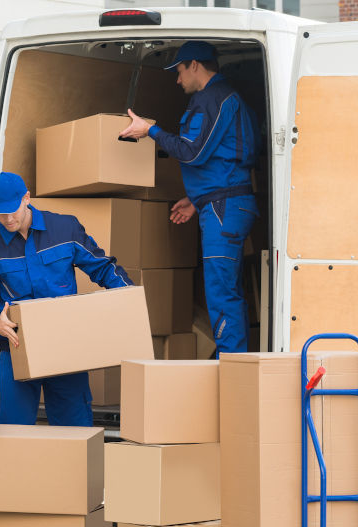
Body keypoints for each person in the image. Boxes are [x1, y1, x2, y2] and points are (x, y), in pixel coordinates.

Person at [120, 40, 260, 356]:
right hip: (225, 203)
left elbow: (191, 151)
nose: (177, 79)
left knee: (221, 292)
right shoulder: (229, 98)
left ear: (195, 65)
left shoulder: (211, 99)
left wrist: (150, 131)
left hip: (224, 209)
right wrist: (196, 200)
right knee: (228, 289)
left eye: (180, 71)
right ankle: (235, 363)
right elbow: (226, 157)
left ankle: (231, 367)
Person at [0, 172, 133, 427]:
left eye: (12, 211)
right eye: (0, 214)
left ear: (26, 198)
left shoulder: (66, 229)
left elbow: (103, 268)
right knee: (10, 430)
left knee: (74, 430)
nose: (8, 219)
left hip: (65, 348)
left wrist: (128, 297)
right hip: (15, 348)